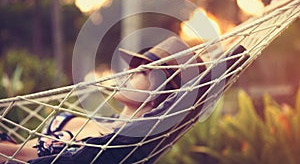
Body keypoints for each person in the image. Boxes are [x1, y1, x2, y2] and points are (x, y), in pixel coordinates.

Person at [0, 36, 203, 163]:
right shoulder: (95, 124)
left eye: (142, 69)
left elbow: (18, 156)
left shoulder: (115, 147)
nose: (126, 72)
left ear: (159, 91)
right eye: (132, 66)